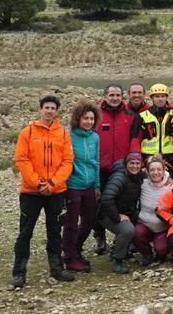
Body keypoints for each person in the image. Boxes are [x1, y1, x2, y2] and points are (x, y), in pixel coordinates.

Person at [12, 95, 75, 288]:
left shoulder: (63, 134)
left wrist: (53, 184)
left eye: (53, 108)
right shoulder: (27, 132)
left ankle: (56, 269)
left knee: (55, 231)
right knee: (25, 232)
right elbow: (21, 159)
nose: (49, 111)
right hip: (31, 192)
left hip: (56, 192)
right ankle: (19, 272)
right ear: (40, 109)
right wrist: (38, 183)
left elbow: (67, 161)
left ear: (57, 111)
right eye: (46, 107)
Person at [93, 84, 141, 256]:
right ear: (105, 96)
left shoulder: (130, 116)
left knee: (120, 203)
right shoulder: (96, 115)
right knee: (97, 205)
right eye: (111, 95)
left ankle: (119, 237)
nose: (114, 98)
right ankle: (99, 236)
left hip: (121, 169)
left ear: (123, 96)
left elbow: (134, 141)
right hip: (100, 168)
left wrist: (133, 162)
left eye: (118, 95)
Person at [63, 101, 100, 273]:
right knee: (71, 223)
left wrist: (97, 185)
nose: (89, 122)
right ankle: (69, 258)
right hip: (73, 185)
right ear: (78, 119)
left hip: (90, 185)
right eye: (85, 118)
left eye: (92, 119)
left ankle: (76, 249)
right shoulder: (68, 136)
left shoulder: (95, 137)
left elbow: (96, 162)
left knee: (88, 221)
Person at [100, 152, 146, 274]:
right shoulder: (119, 177)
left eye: (137, 163)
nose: (134, 166)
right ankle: (117, 260)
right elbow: (106, 198)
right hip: (107, 214)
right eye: (131, 163)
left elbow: (155, 178)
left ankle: (120, 248)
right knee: (128, 230)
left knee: (143, 219)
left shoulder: (139, 176)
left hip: (127, 211)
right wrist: (117, 217)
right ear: (126, 164)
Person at [134, 155, 172, 265]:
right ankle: (147, 254)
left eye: (159, 169)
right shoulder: (142, 184)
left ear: (164, 170)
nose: (156, 173)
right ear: (147, 171)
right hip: (145, 224)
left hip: (162, 227)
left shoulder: (170, 186)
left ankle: (159, 249)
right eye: (152, 170)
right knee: (135, 232)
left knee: (162, 251)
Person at [139, 84, 173, 170]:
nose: (160, 99)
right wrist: (141, 163)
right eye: (157, 96)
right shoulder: (143, 116)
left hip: (170, 158)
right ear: (152, 98)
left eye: (163, 96)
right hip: (148, 158)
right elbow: (136, 140)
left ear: (166, 97)